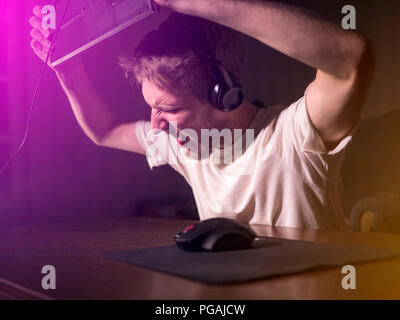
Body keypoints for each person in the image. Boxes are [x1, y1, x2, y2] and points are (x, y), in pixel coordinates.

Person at [29, 0, 375, 230]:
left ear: (221, 95)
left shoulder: (295, 136)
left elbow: (352, 59)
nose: (155, 124)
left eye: (169, 109)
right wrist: (66, 68)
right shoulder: (183, 144)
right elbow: (104, 130)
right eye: (152, 107)